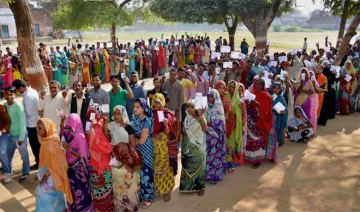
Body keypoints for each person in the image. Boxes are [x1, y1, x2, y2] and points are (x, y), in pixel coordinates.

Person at [103, 105, 142, 211]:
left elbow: (133, 145)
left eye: (118, 113)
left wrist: (123, 152)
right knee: (118, 183)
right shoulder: (110, 125)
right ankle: (120, 207)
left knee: (130, 183)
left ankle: (131, 206)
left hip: (127, 160)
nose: (116, 116)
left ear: (123, 114)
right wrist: (105, 123)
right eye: (114, 113)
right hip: (115, 160)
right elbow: (106, 137)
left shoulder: (129, 128)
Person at [35, 118, 73, 211]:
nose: (38, 131)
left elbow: (54, 165)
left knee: (41, 192)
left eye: (40, 128)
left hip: (55, 174)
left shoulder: (51, 142)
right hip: (51, 172)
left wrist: (45, 176)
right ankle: (61, 208)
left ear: (47, 128)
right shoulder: (47, 140)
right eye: (37, 128)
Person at [60, 114, 94, 212]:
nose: (69, 126)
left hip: (79, 172)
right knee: (73, 194)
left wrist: (69, 149)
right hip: (70, 171)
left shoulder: (80, 137)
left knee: (82, 194)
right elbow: (62, 135)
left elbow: (83, 157)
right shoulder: (70, 135)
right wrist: (61, 123)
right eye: (68, 123)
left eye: (71, 123)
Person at [151, 93, 178, 202]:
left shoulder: (166, 114)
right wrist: (153, 134)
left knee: (165, 165)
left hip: (164, 145)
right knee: (156, 167)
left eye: (158, 102)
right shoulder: (150, 113)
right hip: (153, 145)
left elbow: (169, 132)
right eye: (155, 101)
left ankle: (167, 190)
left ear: (162, 102)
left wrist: (166, 125)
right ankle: (158, 189)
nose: (156, 104)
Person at [88, 104, 114, 211]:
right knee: (97, 185)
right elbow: (89, 140)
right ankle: (99, 206)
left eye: (95, 111)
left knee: (106, 183)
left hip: (103, 157)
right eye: (92, 111)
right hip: (94, 159)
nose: (93, 114)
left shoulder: (102, 122)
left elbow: (106, 137)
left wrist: (103, 122)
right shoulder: (89, 124)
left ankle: (107, 206)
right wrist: (91, 128)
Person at [131, 98, 156, 208]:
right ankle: (142, 194)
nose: (135, 109)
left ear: (144, 108)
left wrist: (132, 141)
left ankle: (149, 197)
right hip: (137, 149)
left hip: (145, 149)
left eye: (138, 107)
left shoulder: (147, 121)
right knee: (140, 172)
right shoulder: (135, 118)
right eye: (134, 107)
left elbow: (141, 140)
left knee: (146, 172)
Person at [179, 99, 207, 196]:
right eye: (188, 106)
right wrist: (184, 132)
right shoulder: (187, 118)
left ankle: (200, 188)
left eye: (192, 107)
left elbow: (204, 129)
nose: (190, 109)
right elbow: (184, 132)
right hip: (187, 146)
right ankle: (187, 187)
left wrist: (200, 117)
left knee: (199, 167)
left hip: (198, 147)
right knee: (187, 166)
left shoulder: (200, 117)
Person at [3, 86, 30, 182]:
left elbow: (23, 122)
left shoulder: (19, 106)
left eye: (11, 94)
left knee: (24, 155)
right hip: (10, 135)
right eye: (7, 94)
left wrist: (21, 138)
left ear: (15, 94)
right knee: (8, 154)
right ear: (4, 94)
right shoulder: (5, 105)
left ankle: (26, 171)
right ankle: (8, 171)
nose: (9, 96)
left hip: (20, 135)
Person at [12, 79, 40, 170]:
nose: (18, 92)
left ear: (20, 88)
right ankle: (40, 162)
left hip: (31, 124)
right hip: (36, 121)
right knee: (37, 144)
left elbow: (28, 113)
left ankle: (39, 163)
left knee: (35, 145)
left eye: (17, 90)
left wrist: (19, 111)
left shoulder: (28, 96)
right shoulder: (32, 90)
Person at [245, 79, 272, 169]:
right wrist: (249, 103)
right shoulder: (251, 93)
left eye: (260, 84)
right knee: (250, 139)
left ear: (263, 85)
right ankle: (249, 157)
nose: (258, 86)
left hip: (260, 121)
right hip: (250, 121)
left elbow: (267, 110)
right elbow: (247, 106)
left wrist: (258, 104)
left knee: (258, 139)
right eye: (257, 84)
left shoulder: (267, 96)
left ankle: (258, 160)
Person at [204, 89, 226, 184]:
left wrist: (210, 123)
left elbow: (221, 124)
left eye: (211, 97)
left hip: (216, 138)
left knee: (215, 157)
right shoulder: (206, 108)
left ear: (215, 97)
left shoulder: (218, 109)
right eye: (208, 96)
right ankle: (208, 175)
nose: (209, 98)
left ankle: (216, 176)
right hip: (208, 136)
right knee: (208, 156)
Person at [266, 83, 288, 163]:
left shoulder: (281, 98)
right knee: (268, 137)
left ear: (280, 90)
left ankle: (273, 156)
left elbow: (286, 110)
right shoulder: (269, 97)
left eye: (277, 88)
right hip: (269, 120)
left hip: (276, 121)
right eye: (274, 88)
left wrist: (283, 112)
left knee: (274, 138)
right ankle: (267, 155)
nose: (275, 89)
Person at [162, 68, 184, 141]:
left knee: (176, 126)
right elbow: (162, 95)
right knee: (166, 125)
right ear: (169, 74)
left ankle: (176, 145)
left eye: (174, 75)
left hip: (176, 109)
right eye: (171, 74)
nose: (173, 76)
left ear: (176, 74)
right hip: (167, 108)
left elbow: (181, 98)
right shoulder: (165, 83)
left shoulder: (179, 84)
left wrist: (178, 108)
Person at [226, 80, 244, 166]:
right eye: (229, 86)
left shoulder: (238, 100)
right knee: (226, 141)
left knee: (232, 142)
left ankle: (231, 161)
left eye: (233, 87)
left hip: (235, 124)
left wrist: (242, 110)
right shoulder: (225, 97)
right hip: (226, 124)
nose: (231, 88)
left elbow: (242, 114)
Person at [0, 104, 11, 181]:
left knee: (2, 152)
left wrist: (3, 130)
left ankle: (7, 172)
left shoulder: (1, 108)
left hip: (3, 134)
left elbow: (8, 121)